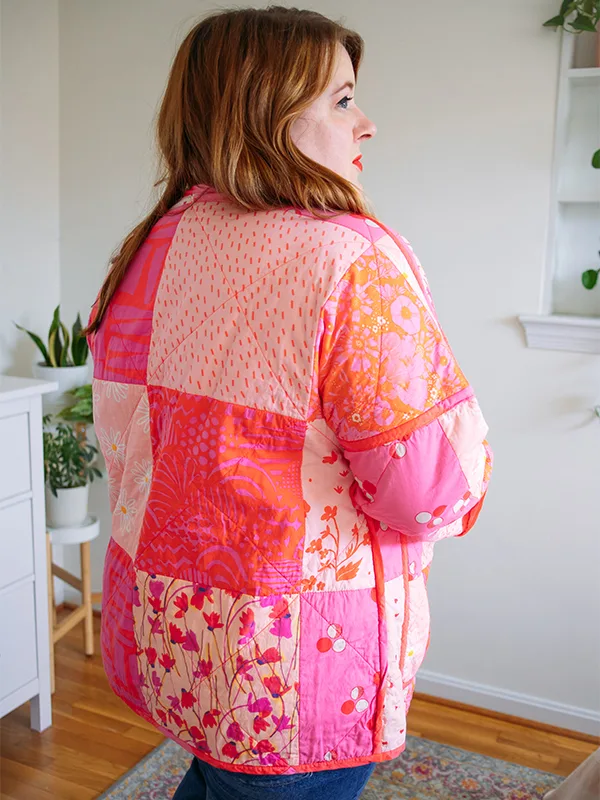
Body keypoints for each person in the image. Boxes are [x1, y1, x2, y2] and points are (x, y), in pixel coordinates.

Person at [85, 7, 492, 800]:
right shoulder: (348, 257)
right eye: (342, 100)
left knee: (212, 781)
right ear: (264, 109)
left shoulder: (152, 245)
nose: (367, 123)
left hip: (181, 641)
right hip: (295, 668)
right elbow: (427, 491)